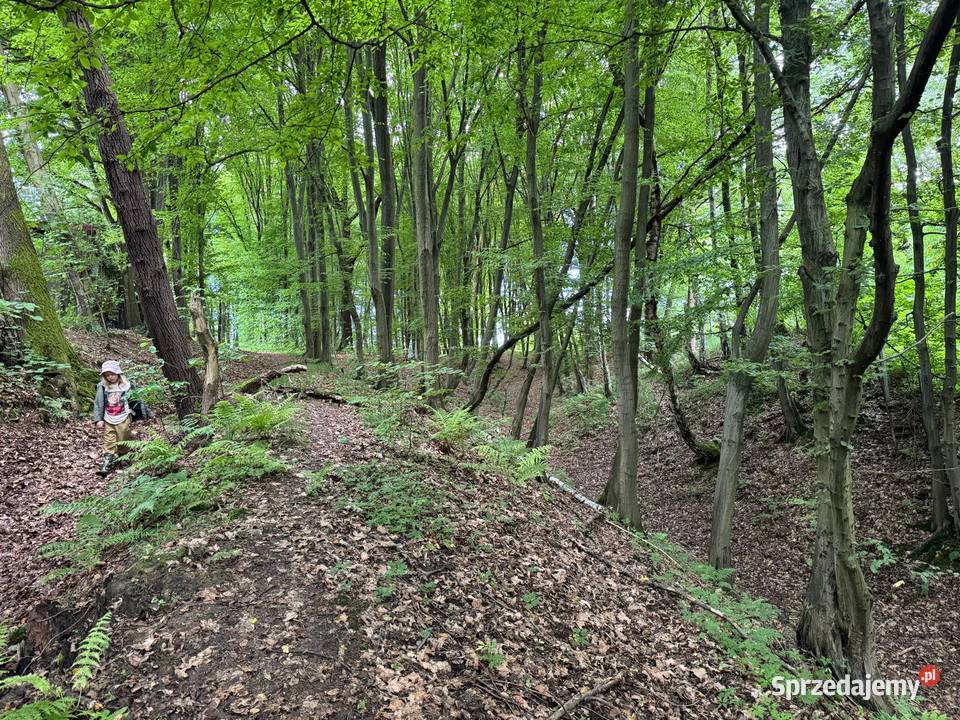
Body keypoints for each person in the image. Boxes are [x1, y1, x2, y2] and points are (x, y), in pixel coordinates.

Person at [92, 360, 147, 476]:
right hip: (108, 417)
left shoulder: (127, 385)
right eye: (107, 375)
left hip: (123, 416)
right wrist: (99, 419)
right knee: (109, 440)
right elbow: (98, 403)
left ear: (118, 373)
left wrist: (142, 414)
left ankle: (124, 458)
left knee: (123, 438)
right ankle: (107, 463)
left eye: (112, 374)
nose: (110, 377)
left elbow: (136, 400)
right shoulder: (102, 387)